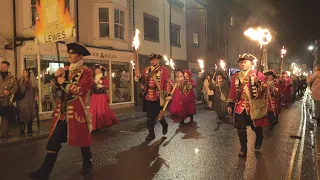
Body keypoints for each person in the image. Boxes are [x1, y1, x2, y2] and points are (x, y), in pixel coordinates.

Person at [27, 43, 94, 179]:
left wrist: (62, 82)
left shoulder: (86, 72)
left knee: (83, 140)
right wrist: (54, 77)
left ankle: (87, 161)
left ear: (80, 55)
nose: (69, 55)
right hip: (62, 113)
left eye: (73, 53)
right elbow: (55, 89)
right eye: (68, 52)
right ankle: (44, 171)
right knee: (54, 141)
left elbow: (79, 91)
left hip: (76, 111)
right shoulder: (66, 70)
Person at [227, 54, 269, 158]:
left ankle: (259, 139)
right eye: (241, 62)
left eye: (245, 61)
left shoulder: (258, 74)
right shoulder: (236, 76)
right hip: (241, 106)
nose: (242, 64)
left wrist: (258, 82)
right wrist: (230, 104)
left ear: (250, 63)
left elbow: (264, 90)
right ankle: (243, 148)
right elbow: (233, 92)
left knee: (256, 127)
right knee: (240, 128)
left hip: (253, 106)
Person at [134, 53, 171, 141]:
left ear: (158, 60)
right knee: (149, 116)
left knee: (159, 114)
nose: (152, 61)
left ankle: (164, 124)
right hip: (148, 96)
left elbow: (167, 83)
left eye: (154, 59)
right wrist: (138, 77)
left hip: (158, 96)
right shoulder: (147, 70)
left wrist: (167, 94)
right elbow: (143, 81)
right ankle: (151, 133)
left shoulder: (164, 70)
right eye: (151, 60)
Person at [90, 64, 119, 131]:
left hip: (101, 96)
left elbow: (107, 86)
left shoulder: (103, 78)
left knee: (101, 110)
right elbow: (91, 87)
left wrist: (102, 86)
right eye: (96, 69)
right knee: (93, 111)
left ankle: (105, 123)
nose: (96, 70)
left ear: (101, 71)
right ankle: (95, 126)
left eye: (98, 69)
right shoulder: (94, 78)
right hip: (94, 96)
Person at [16, 69, 39, 137]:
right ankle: (22, 131)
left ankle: (30, 129)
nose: (24, 74)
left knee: (30, 115)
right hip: (22, 101)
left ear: (28, 74)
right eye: (23, 72)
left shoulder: (32, 81)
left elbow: (36, 89)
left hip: (31, 100)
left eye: (25, 72)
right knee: (22, 115)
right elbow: (16, 89)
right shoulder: (20, 81)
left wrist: (36, 96)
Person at [0, 61, 17, 138]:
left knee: (5, 116)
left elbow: (15, 88)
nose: (2, 67)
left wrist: (9, 92)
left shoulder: (12, 78)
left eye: (4, 66)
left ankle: (4, 133)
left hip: (6, 100)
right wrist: (2, 91)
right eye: (1, 66)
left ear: (8, 67)